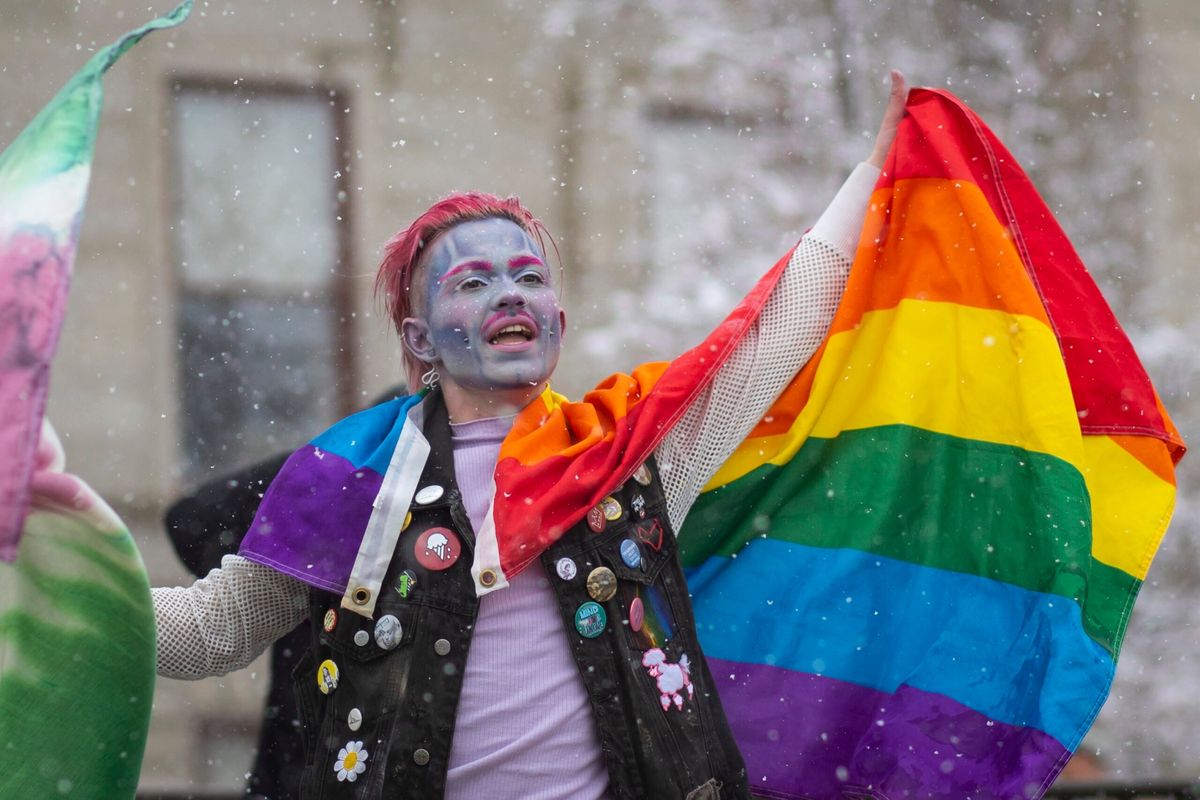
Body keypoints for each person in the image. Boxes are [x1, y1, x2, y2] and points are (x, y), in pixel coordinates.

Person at [152, 72, 908, 799]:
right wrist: (66, 553)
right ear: (420, 340)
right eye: (472, 282)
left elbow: (769, 345)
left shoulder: (622, 458)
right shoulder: (352, 484)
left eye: (528, 277)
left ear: (558, 324)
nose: (509, 293)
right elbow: (210, 634)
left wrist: (878, 177)